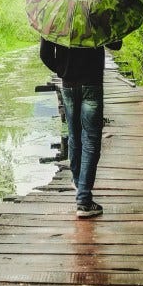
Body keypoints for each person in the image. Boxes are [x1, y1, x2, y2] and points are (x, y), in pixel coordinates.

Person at [39, 37, 107, 218]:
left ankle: (79, 183)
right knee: (91, 140)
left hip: (68, 85)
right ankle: (84, 200)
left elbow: (44, 54)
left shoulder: (57, 15)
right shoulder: (97, 11)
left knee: (74, 136)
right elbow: (116, 43)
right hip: (92, 82)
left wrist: (62, 70)